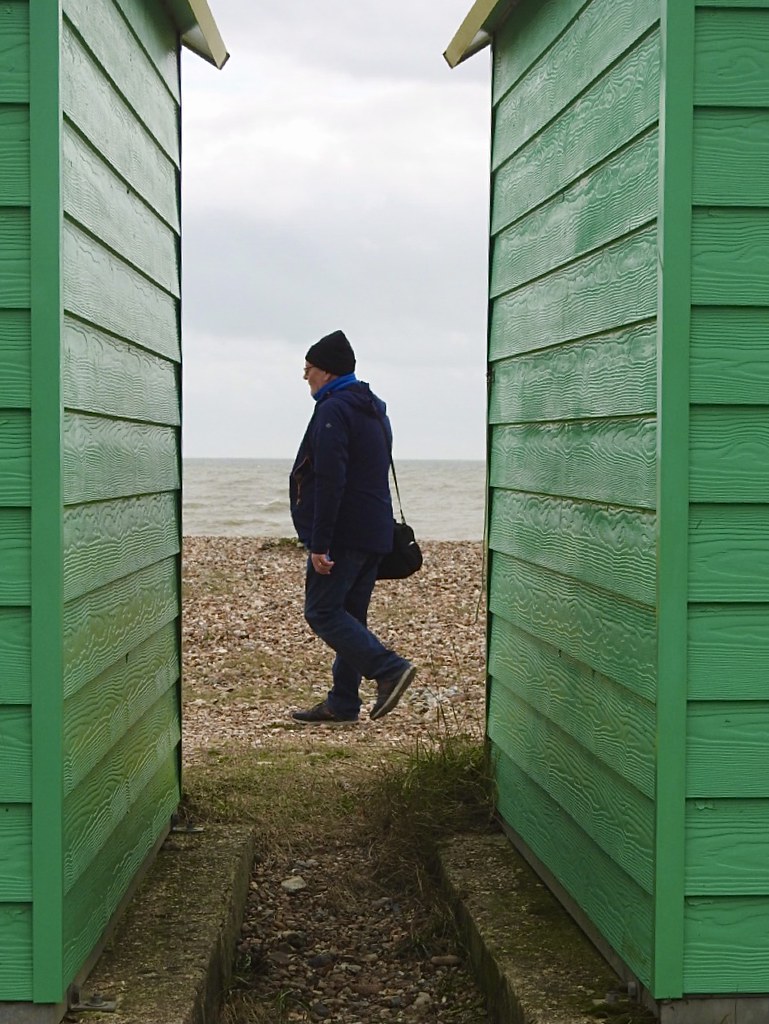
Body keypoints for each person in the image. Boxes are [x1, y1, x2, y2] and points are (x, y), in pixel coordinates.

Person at [289, 329, 416, 724]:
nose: (305, 377)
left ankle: (388, 669)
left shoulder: (333, 410)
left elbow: (331, 479)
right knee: (351, 615)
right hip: (374, 533)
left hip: (343, 536)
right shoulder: (374, 408)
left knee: (322, 612)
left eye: (307, 369)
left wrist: (319, 542)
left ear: (325, 371)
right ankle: (343, 702)